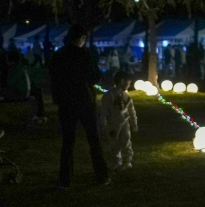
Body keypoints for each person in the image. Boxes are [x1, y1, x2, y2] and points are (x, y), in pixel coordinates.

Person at [48, 24, 109, 188]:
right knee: (93, 140)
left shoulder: (58, 55)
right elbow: (94, 77)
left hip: (66, 103)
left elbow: (53, 80)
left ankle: (65, 178)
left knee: (68, 142)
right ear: (82, 38)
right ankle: (101, 175)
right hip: (84, 100)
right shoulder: (85, 55)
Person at [99, 70, 138, 171]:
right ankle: (117, 161)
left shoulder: (127, 97)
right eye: (128, 83)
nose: (129, 86)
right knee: (114, 143)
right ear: (122, 82)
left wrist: (134, 123)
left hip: (124, 123)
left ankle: (127, 161)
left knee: (126, 141)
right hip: (113, 124)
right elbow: (104, 111)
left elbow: (131, 111)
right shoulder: (109, 96)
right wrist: (103, 124)